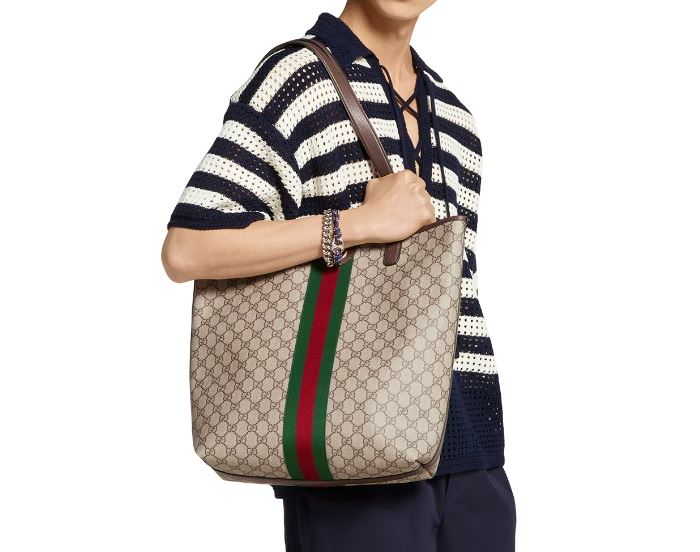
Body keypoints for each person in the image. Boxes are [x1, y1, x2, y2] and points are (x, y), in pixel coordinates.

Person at [162, 2, 515, 551]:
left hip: (474, 450)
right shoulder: (297, 80)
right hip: (353, 453)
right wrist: (357, 225)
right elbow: (188, 246)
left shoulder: (456, 118)